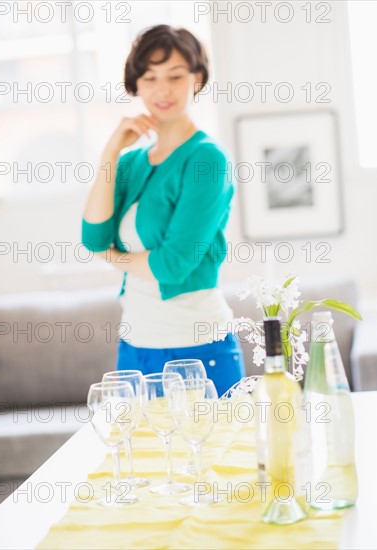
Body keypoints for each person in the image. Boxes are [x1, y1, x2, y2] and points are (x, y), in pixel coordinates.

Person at [81, 24, 245, 397]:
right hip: (136, 345)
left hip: (198, 346)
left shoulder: (207, 159)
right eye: (150, 77)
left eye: (175, 75)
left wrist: (114, 256)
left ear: (197, 78)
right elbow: (93, 237)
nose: (162, 89)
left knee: (213, 453)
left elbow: (174, 264)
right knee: (140, 455)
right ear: (136, 84)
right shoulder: (129, 163)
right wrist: (110, 152)